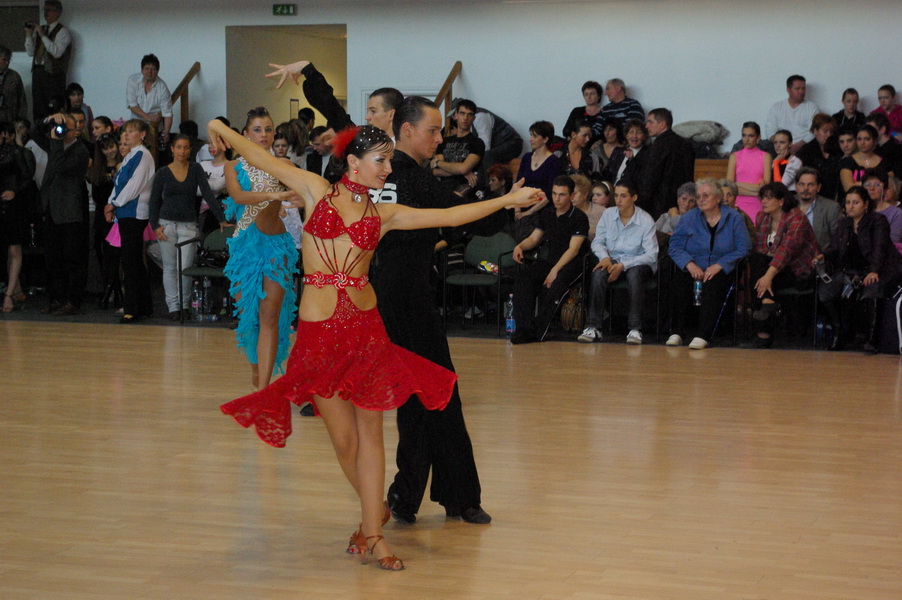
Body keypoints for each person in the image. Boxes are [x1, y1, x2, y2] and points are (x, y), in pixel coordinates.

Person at [209, 112, 542, 570]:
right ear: (353, 162)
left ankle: (374, 534)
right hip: (320, 335)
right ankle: (376, 510)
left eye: (388, 161)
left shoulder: (384, 213)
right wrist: (221, 129)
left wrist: (507, 199)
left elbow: (449, 214)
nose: (387, 169)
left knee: (371, 435)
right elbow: (261, 157)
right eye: (380, 161)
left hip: (366, 331)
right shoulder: (315, 190)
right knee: (345, 442)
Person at [220, 107, 299, 390]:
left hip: (277, 247)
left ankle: (264, 390)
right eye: (257, 129)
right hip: (246, 249)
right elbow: (239, 196)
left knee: (270, 317)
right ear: (245, 135)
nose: (263, 135)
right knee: (251, 317)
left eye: (268, 129)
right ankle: (257, 376)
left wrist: (299, 197)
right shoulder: (233, 167)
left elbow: (306, 192)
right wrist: (274, 194)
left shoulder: (284, 165)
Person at [666, 178, 751, 350]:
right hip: (694, 264)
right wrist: (689, 264)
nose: (701, 200)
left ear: (718, 198)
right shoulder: (689, 218)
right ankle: (677, 332)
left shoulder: (734, 218)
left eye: (706, 195)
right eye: (698, 196)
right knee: (680, 280)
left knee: (713, 282)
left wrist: (720, 264)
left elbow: (744, 248)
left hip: (723, 266)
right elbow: (674, 246)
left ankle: (703, 334)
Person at [149, 134, 227, 320]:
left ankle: (184, 305)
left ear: (190, 150)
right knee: (170, 267)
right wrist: (155, 226)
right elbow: (154, 201)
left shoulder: (195, 169)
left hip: (189, 225)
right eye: (178, 147)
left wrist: (221, 219)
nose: (182, 151)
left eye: (186, 147)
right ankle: (173, 307)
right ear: (172, 149)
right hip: (166, 225)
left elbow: (208, 194)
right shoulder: (163, 172)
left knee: (185, 268)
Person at [818, 185, 902, 351]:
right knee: (826, 291)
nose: (850, 206)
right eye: (848, 202)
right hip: (851, 270)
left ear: (866, 205)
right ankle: (840, 333)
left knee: (872, 289)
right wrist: (823, 256)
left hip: (882, 268)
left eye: (855, 202)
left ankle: (872, 338)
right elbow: (834, 247)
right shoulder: (844, 223)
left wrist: (874, 270)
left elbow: (879, 248)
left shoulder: (878, 221)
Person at [510, 175, 589, 344]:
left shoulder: (579, 217)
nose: (557, 198)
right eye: (554, 194)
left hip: (573, 264)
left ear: (571, 196)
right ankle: (523, 328)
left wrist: (555, 270)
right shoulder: (547, 214)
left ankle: (540, 332)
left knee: (557, 284)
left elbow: (573, 250)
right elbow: (534, 238)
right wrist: (520, 246)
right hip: (551, 261)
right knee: (524, 278)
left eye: (562, 195)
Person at [578, 180, 657, 344]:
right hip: (612, 259)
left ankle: (635, 328)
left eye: (623, 196)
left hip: (638, 262)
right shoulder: (608, 214)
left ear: (634, 197)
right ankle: (594, 327)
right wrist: (605, 258)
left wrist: (623, 266)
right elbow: (598, 241)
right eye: (616, 196)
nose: (618, 200)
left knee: (634, 276)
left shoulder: (645, 219)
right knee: (598, 273)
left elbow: (651, 254)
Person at [745, 182, 818, 348]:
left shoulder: (796, 217)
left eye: (769, 198)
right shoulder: (762, 217)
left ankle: (763, 334)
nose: (764, 201)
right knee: (756, 260)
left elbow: (788, 249)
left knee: (760, 277)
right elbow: (761, 248)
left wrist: (768, 276)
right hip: (771, 268)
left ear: (781, 201)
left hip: (797, 270)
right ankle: (767, 303)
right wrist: (767, 272)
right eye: (763, 198)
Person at [37, 112, 90, 315]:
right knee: (52, 259)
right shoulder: (54, 143)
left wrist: (55, 142)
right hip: (51, 209)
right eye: (61, 127)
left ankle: (73, 301)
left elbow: (60, 165)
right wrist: (48, 119)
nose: (62, 131)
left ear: (75, 130)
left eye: (66, 128)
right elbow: (34, 131)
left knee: (72, 258)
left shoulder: (80, 151)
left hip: (69, 212)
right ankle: (56, 298)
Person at [105, 119, 156, 323]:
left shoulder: (143, 155)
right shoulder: (130, 156)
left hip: (134, 213)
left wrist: (114, 203)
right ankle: (143, 305)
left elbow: (134, 186)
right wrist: (111, 202)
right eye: (125, 130)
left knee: (130, 261)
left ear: (142, 135)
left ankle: (132, 308)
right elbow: (119, 183)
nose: (126, 134)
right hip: (125, 212)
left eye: (132, 131)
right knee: (133, 260)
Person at [86, 133, 123, 309]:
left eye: (111, 146)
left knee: (116, 255)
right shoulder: (98, 169)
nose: (110, 151)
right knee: (105, 255)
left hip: (120, 215)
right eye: (105, 148)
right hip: (103, 215)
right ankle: (113, 289)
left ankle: (113, 290)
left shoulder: (124, 164)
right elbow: (97, 195)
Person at [638, 108, 695, 220]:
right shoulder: (686, 145)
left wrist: (640, 203)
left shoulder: (657, 147)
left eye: (650, 122)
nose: (646, 126)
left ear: (662, 124)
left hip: (657, 208)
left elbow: (649, 180)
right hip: (682, 205)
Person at [0, 121, 32, 313]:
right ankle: (14, 290)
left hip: (13, 205)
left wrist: (14, 191)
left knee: (14, 249)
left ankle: (9, 294)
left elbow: (27, 177)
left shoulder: (15, 152)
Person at [24, 0, 71, 120]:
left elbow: (56, 53)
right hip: (38, 72)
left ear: (57, 12)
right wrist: (29, 35)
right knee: (38, 106)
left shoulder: (63, 32)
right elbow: (30, 52)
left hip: (53, 75)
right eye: (44, 10)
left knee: (53, 106)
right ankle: (40, 128)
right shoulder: (42, 29)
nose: (45, 13)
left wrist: (42, 35)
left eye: (48, 10)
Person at [514, 120, 559, 238]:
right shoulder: (526, 157)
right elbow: (518, 185)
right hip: (521, 204)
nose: (530, 139)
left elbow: (550, 194)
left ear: (545, 139)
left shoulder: (553, 161)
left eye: (534, 136)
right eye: (531, 135)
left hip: (540, 209)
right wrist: (517, 210)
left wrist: (528, 212)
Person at [430, 100, 485, 191]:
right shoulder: (444, 142)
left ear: (474, 118)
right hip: (443, 188)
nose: (465, 118)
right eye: (462, 113)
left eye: (469, 114)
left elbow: (464, 168)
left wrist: (437, 163)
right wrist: (462, 172)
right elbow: (435, 171)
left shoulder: (477, 143)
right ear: (456, 115)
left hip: (465, 189)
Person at [727, 121, 773, 221]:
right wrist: (756, 192)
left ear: (758, 137)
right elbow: (730, 187)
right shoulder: (734, 156)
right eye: (744, 135)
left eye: (751, 136)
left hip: (758, 205)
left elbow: (764, 188)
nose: (746, 139)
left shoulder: (766, 157)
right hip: (738, 204)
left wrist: (738, 184)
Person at [765, 75, 820, 154]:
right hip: (781, 146)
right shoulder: (777, 107)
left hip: (803, 145)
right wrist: (779, 143)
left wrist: (798, 145)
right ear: (788, 90)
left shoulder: (811, 108)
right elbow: (770, 129)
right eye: (797, 89)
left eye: (803, 88)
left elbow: (813, 131)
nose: (801, 91)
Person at [125, 54, 173, 145]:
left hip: (154, 127)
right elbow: (132, 105)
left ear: (157, 71)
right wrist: (147, 117)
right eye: (146, 68)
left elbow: (167, 113)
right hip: (135, 125)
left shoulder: (162, 87)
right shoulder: (133, 80)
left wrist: (166, 133)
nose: (149, 72)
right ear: (142, 70)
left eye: (153, 69)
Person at [794, 167, 842, 254]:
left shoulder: (831, 208)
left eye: (810, 185)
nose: (805, 188)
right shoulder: (787, 205)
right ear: (795, 187)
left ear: (818, 187)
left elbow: (837, 241)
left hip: (818, 258)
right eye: (801, 184)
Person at [793, 113, 840, 199]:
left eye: (831, 132)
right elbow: (791, 171)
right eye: (825, 131)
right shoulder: (806, 150)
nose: (829, 135)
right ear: (815, 131)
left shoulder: (838, 149)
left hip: (834, 196)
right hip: (811, 196)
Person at [601, 118, 647, 187]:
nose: (634, 136)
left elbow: (640, 178)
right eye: (631, 132)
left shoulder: (647, 154)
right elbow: (607, 173)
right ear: (626, 136)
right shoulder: (618, 151)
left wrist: (632, 160)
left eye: (639, 133)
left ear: (644, 136)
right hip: (612, 190)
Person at [840, 125, 886, 192]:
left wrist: (857, 184)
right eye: (859, 139)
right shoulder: (847, 162)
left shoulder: (883, 162)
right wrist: (873, 185)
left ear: (875, 141)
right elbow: (848, 188)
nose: (862, 142)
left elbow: (888, 186)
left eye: (867, 139)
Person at [862, 170, 902, 245]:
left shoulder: (896, 213)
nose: (871, 188)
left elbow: (894, 242)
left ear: (885, 189)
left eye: (877, 185)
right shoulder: (860, 209)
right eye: (868, 185)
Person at [0, 46, 28, 124]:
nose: (7, 63)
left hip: (10, 120)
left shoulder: (14, 76)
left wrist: (21, 120)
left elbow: (22, 101)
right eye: (4, 59)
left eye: (9, 60)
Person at [571, 174, 603, 239]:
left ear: (585, 194)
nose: (571, 197)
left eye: (574, 194)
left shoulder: (601, 212)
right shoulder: (563, 211)